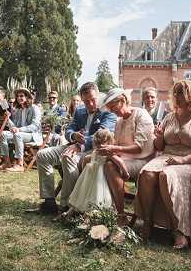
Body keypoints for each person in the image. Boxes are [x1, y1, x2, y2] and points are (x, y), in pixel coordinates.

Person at [135, 79, 191, 249]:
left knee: (166, 175)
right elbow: (160, 147)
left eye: (181, 92)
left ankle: (178, 230)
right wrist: (159, 136)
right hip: (168, 156)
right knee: (146, 173)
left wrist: (183, 160)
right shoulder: (169, 117)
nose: (176, 96)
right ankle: (148, 221)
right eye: (175, 92)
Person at [33, 82, 117, 214]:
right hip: (73, 145)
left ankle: (67, 205)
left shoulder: (108, 112)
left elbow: (101, 135)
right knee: (42, 155)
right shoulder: (80, 110)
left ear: (98, 95)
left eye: (92, 100)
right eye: (86, 101)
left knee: (68, 157)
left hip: (94, 150)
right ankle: (49, 201)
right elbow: (70, 128)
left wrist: (80, 145)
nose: (90, 104)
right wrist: (73, 135)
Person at [100, 88, 154, 225]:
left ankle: (121, 214)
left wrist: (114, 151)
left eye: (113, 107)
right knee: (95, 162)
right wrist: (111, 152)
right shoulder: (119, 122)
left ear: (123, 100)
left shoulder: (141, 115)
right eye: (110, 108)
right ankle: (103, 208)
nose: (112, 111)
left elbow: (139, 148)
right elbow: (116, 146)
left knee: (110, 166)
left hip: (143, 160)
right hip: (126, 159)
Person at [66, 129, 128, 213]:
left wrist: (125, 173)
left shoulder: (103, 153)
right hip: (95, 178)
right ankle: (81, 212)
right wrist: (126, 173)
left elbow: (119, 161)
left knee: (93, 195)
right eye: (99, 143)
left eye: (102, 143)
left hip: (97, 179)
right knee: (90, 194)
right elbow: (86, 159)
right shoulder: (101, 152)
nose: (101, 145)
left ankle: (91, 212)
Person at [0, 87, 42, 172]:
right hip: (20, 134)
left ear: (27, 97)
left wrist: (19, 130)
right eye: (17, 96)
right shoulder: (18, 110)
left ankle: (20, 164)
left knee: (18, 135)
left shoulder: (34, 108)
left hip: (33, 135)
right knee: (3, 134)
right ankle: (7, 162)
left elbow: (35, 126)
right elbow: (15, 126)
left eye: (21, 96)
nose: (19, 98)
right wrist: (8, 119)